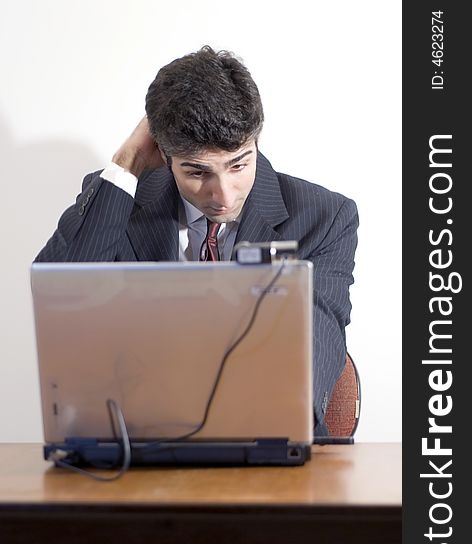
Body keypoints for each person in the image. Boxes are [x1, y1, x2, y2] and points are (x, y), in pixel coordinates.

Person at [35, 45, 359, 439]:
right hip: (137, 448)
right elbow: (61, 307)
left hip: (270, 446)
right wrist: (126, 164)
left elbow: (309, 369)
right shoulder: (118, 203)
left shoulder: (323, 219)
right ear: (165, 156)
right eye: (197, 172)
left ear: (256, 140)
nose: (223, 195)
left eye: (239, 164)